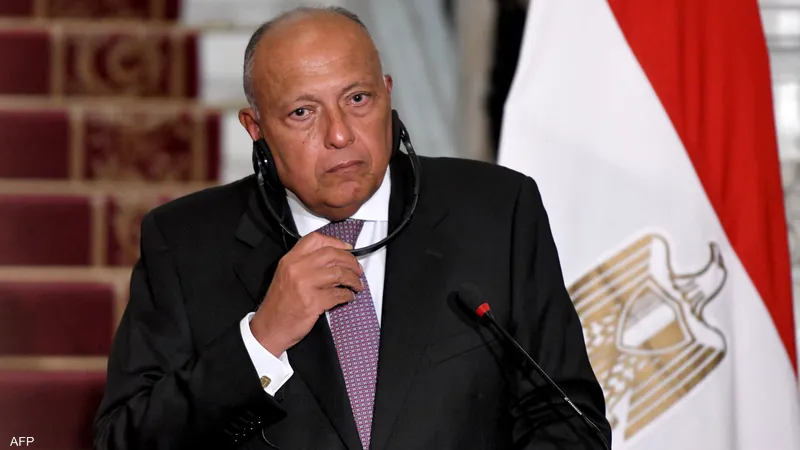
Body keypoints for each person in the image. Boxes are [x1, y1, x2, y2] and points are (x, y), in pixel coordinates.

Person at [93, 6, 611, 450]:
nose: (340, 134)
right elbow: (126, 438)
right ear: (256, 129)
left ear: (387, 94)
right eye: (303, 112)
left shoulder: (496, 211)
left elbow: (569, 421)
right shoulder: (185, 243)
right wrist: (261, 341)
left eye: (358, 99)